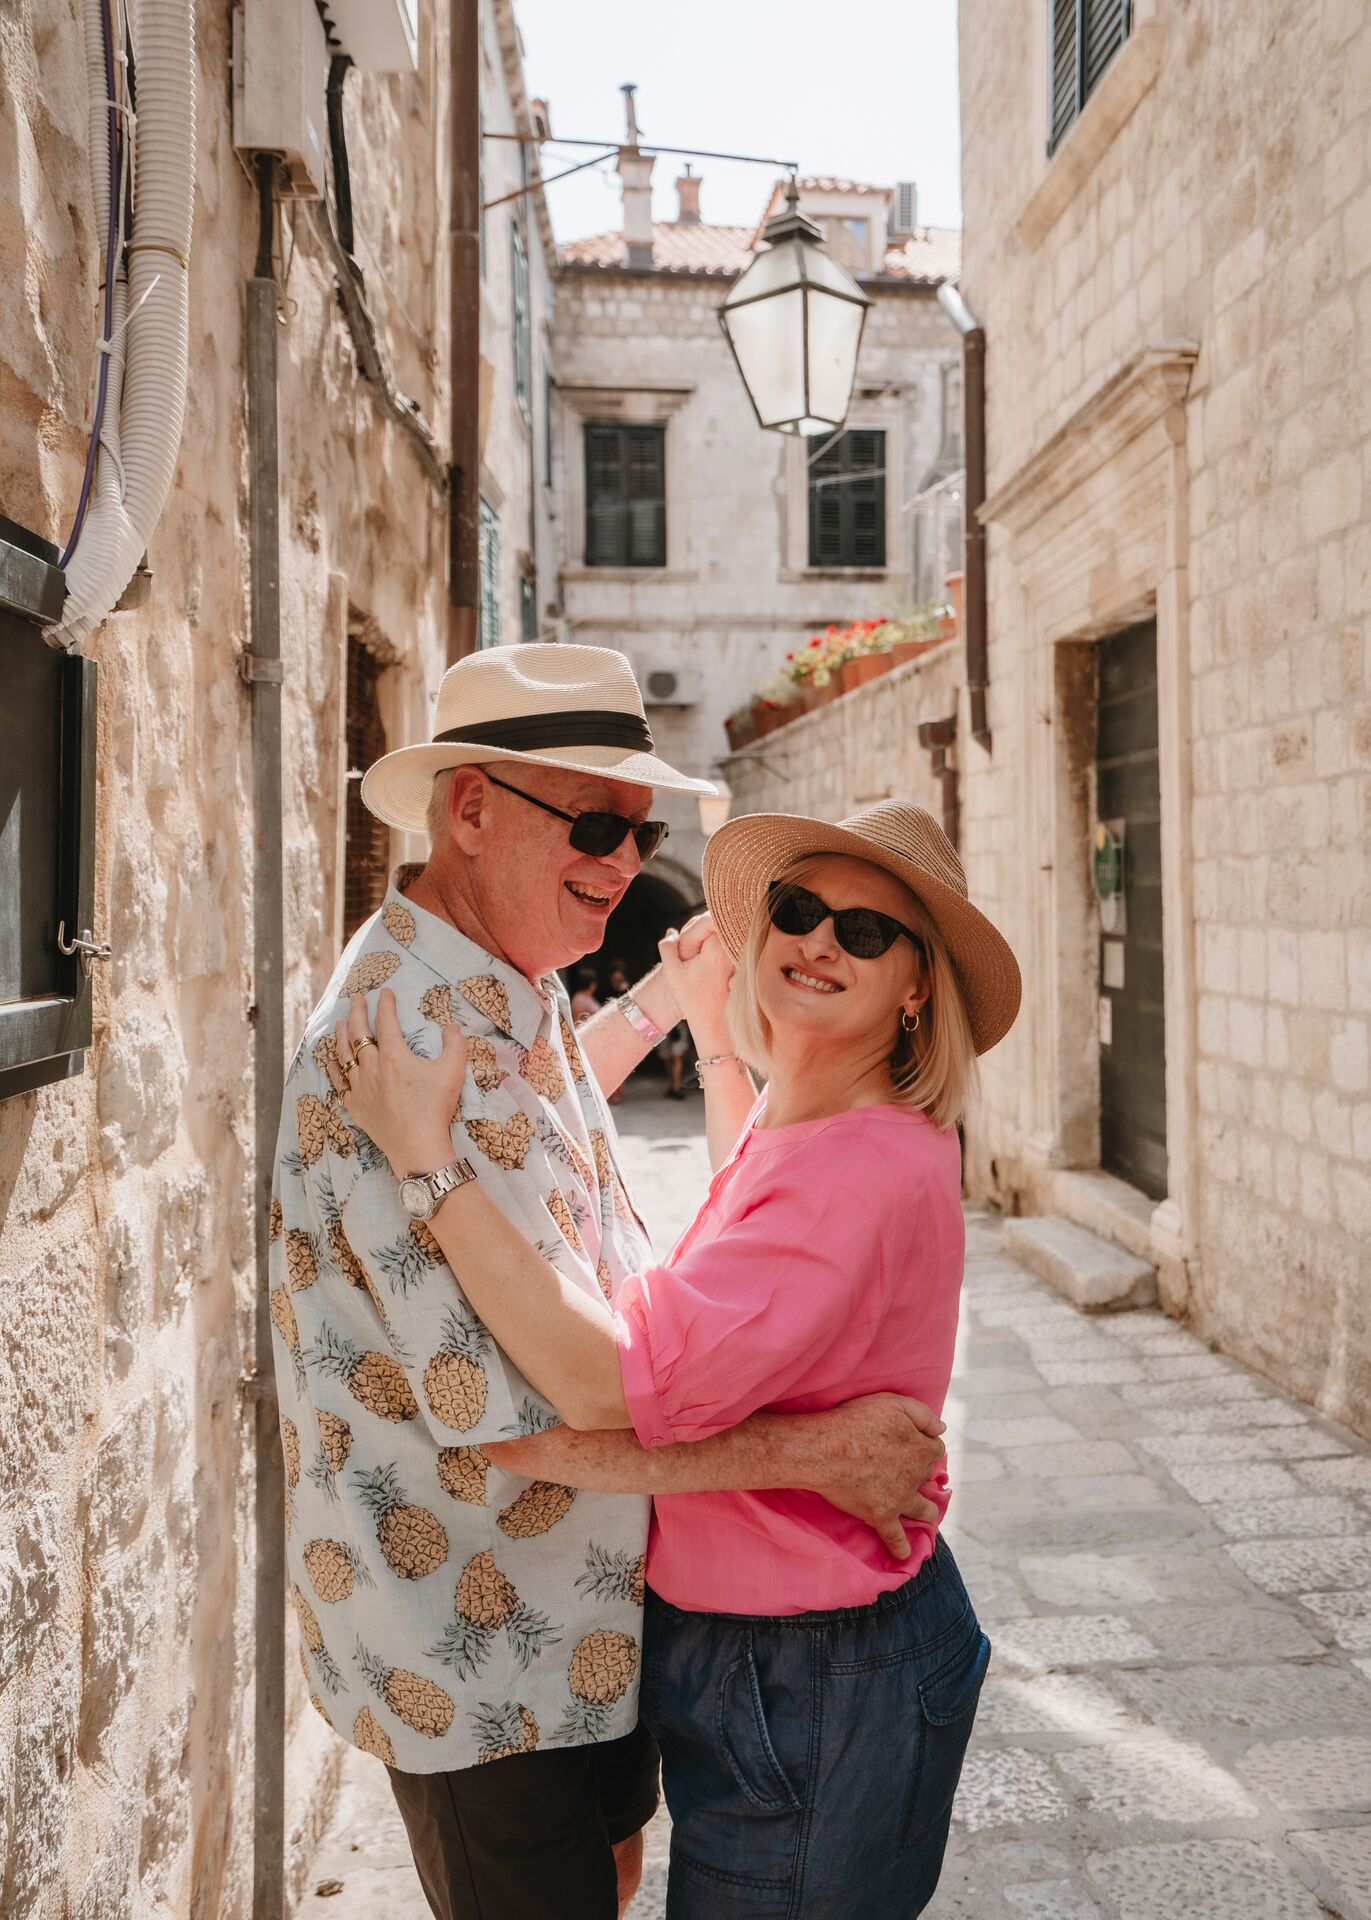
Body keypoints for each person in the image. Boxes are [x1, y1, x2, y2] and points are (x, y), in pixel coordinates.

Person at [268, 643, 950, 1920]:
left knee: (616, 1878)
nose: (625, 864)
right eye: (593, 822)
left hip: (579, 1617)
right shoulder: (398, 1041)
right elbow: (541, 1417)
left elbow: (534, 1125)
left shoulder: (490, 975)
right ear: (470, 809)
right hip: (479, 1649)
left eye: (638, 833)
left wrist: (652, 1005)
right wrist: (818, 1458)